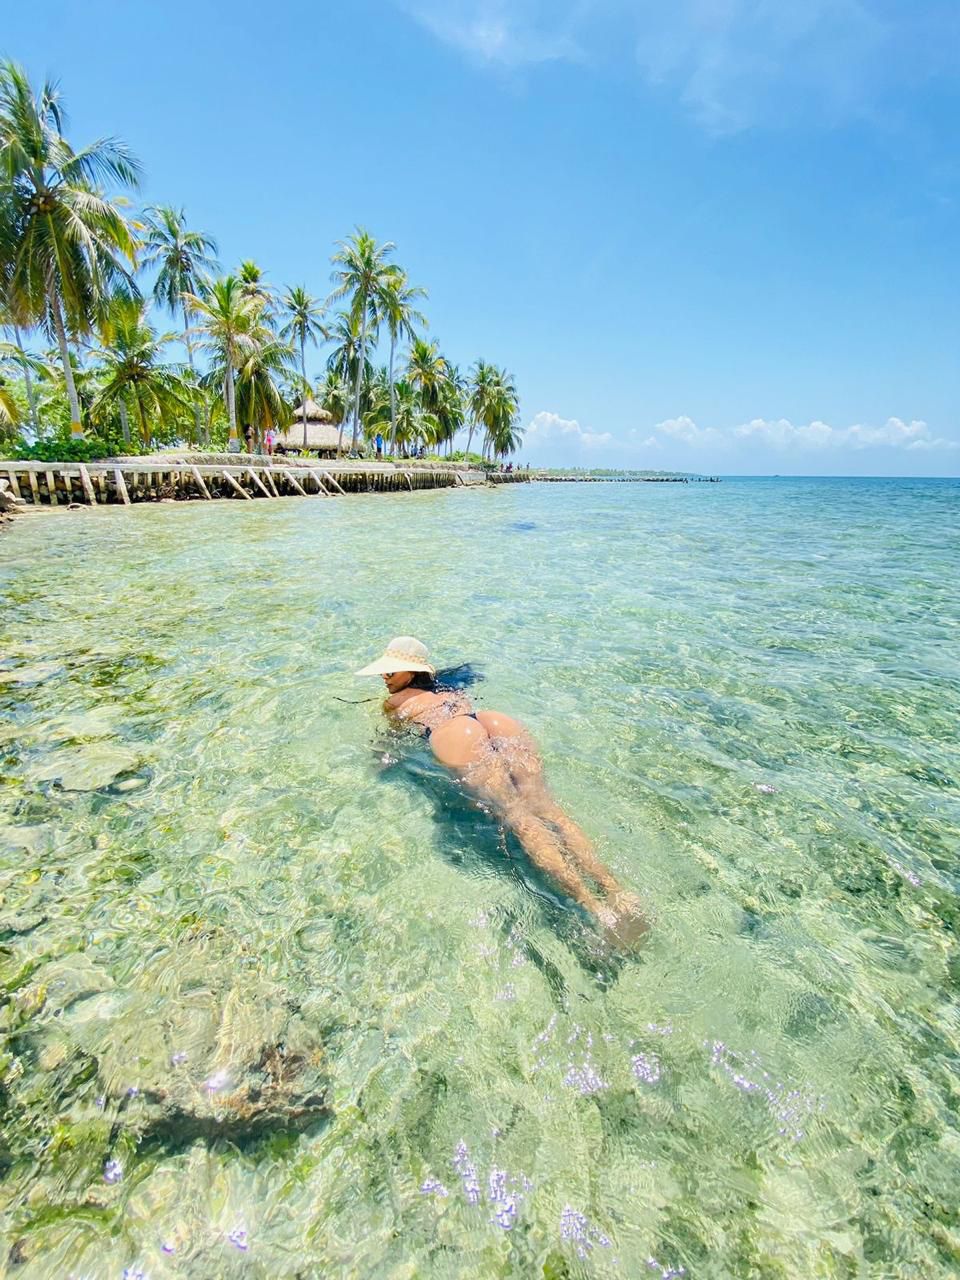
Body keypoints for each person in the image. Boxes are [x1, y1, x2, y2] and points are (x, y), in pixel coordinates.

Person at [356, 636, 644, 941]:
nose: (384, 677)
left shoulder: (393, 702)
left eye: (390, 671)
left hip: (455, 734)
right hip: (493, 721)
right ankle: (618, 892)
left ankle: (596, 908)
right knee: (551, 810)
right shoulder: (448, 687)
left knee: (519, 817)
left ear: (411, 672)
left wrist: (378, 763)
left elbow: (391, 742)